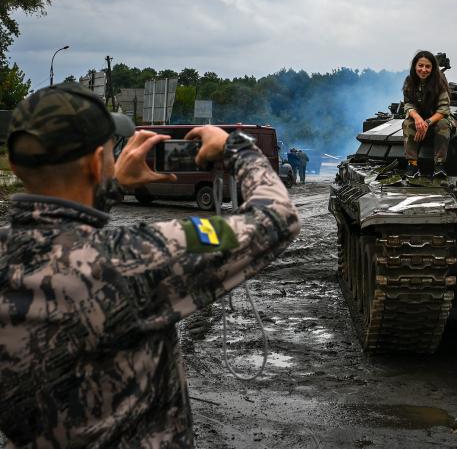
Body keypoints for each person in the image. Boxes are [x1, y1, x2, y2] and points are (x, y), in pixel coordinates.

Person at [0, 83, 300, 448]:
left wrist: (109, 186)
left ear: (15, 165)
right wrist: (235, 147)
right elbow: (276, 218)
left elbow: (67, 236)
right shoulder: (134, 257)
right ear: (97, 163)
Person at [401, 50, 452, 179]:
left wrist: (427, 123)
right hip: (419, 119)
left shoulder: (439, 83)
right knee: (407, 123)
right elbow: (408, 104)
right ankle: (412, 164)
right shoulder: (410, 81)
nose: (423, 69)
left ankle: (439, 165)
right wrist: (417, 118)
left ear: (433, 68)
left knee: (443, 124)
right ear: (415, 66)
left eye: (428, 66)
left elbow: (443, 109)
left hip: (437, 119)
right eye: (420, 65)